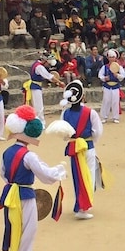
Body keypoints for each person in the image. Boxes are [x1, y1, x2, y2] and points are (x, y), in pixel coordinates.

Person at [0, 105, 68, 251]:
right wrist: (59, 170)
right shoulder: (28, 156)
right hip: (25, 194)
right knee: (28, 228)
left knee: (17, 226)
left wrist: (12, 184)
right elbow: (45, 175)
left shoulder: (7, 152)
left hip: (10, 193)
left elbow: (3, 173)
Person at [47, 81, 103, 221]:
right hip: (87, 146)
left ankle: (81, 204)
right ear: (82, 95)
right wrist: (89, 142)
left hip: (73, 148)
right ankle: (83, 207)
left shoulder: (65, 114)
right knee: (88, 176)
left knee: (78, 177)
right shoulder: (91, 113)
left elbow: (64, 134)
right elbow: (97, 132)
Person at [23, 51, 61, 122]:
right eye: (48, 64)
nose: (48, 65)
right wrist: (60, 82)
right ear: (45, 61)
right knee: (38, 107)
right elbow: (49, 76)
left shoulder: (36, 63)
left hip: (35, 86)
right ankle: (40, 122)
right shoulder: (39, 67)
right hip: (35, 87)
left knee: (36, 106)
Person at [98, 50, 125, 124]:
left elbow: (123, 76)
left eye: (113, 57)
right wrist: (104, 78)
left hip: (115, 86)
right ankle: (104, 116)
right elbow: (100, 75)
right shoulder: (105, 67)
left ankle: (115, 117)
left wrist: (117, 75)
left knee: (115, 102)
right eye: (110, 57)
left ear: (115, 58)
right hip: (107, 86)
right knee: (106, 101)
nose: (111, 59)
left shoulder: (118, 67)